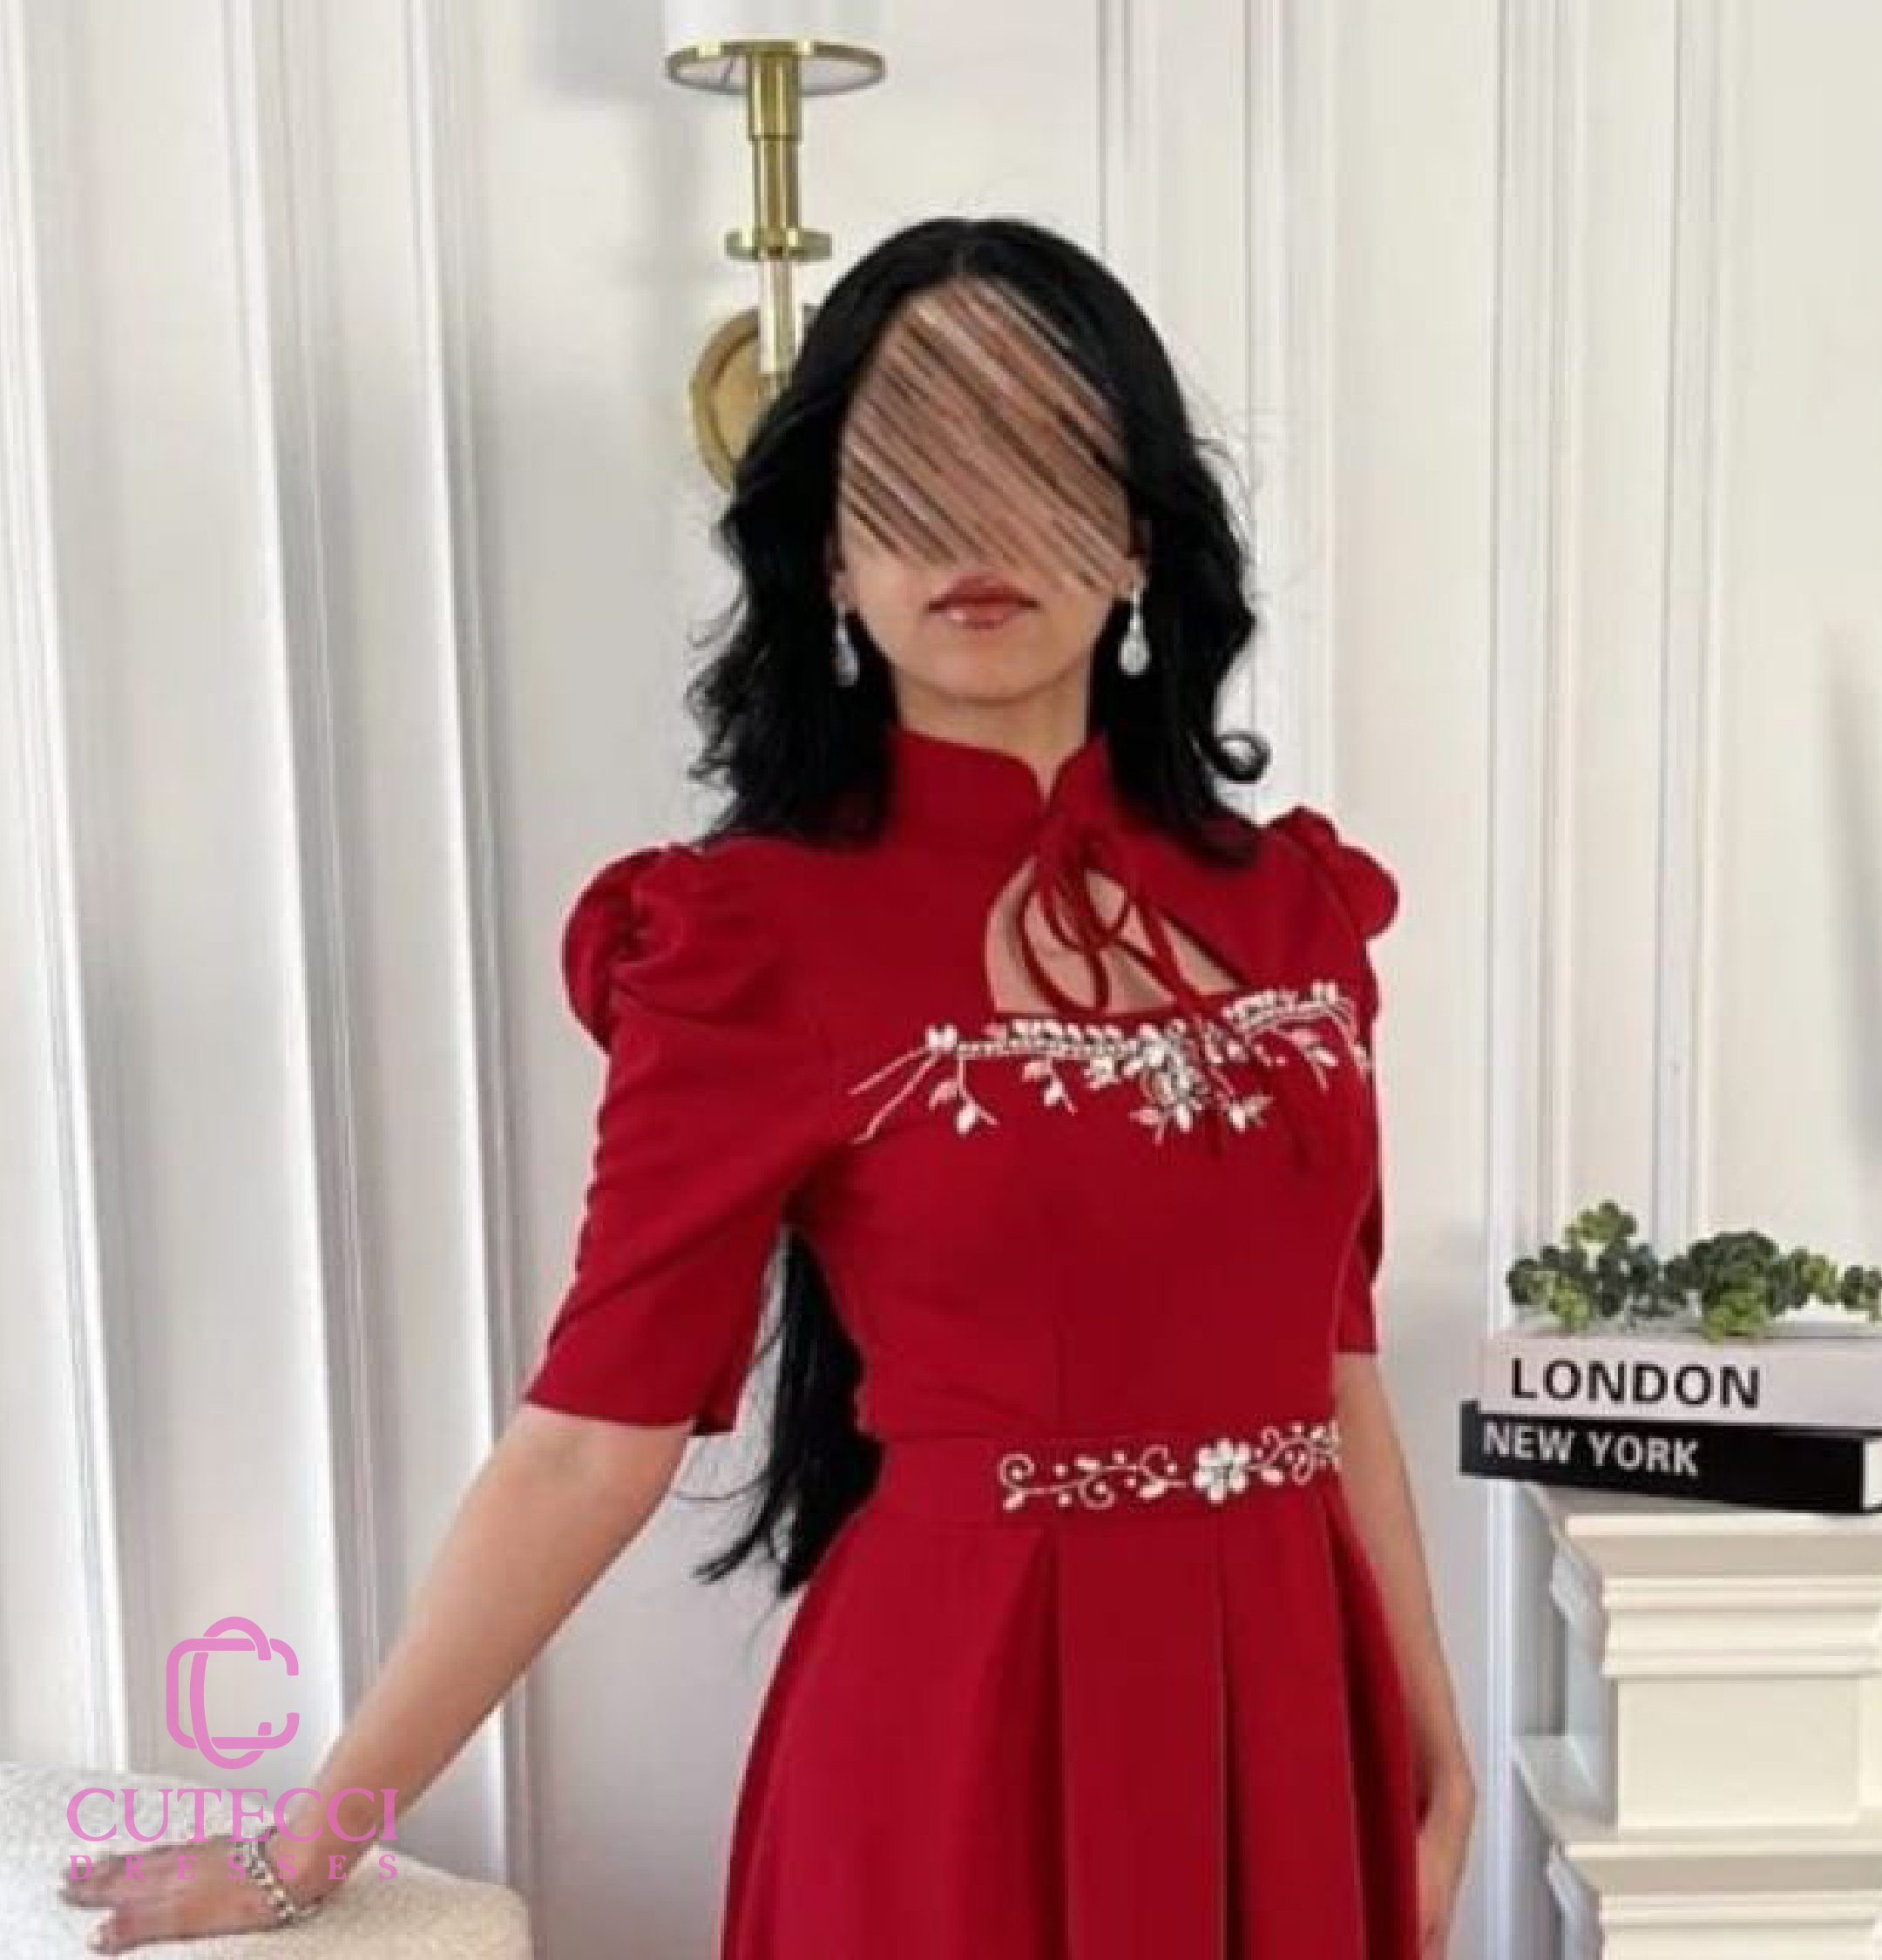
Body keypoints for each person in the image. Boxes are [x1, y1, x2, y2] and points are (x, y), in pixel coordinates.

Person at [58, 215, 1474, 1957]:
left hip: (1286, 1730)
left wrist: (1432, 1746)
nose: (974, 526)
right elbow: (588, 1444)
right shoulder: (750, 942)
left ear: (1136, 537)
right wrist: (313, 1841)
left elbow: (1337, 1365)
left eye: (1041, 457)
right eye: (910, 472)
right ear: (827, 557)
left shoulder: (1293, 911)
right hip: (958, 1747)